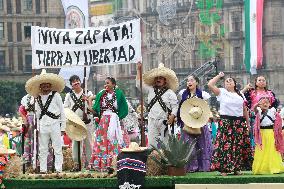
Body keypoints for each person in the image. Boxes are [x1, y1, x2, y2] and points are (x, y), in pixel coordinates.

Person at [208, 72, 252, 176]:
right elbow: (210, 84)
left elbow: (244, 109)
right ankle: (223, 169)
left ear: (234, 84)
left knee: (237, 145)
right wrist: (219, 76)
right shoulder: (222, 92)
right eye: (226, 81)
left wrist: (248, 123)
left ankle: (236, 168)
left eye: (230, 80)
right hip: (226, 121)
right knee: (224, 145)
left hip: (239, 122)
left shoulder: (240, 95)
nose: (228, 82)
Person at [25, 69, 66, 173]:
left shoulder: (56, 95)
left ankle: (58, 169)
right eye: (43, 85)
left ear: (50, 85)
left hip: (55, 124)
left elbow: (62, 112)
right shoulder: (37, 98)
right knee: (43, 149)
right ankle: (43, 169)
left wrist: (63, 127)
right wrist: (37, 128)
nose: (46, 87)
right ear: (40, 86)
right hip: (43, 125)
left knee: (57, 148)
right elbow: (37, 114)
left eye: (48, 85)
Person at [89, 77, 128, 171]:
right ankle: (101, 164)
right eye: (105, 83)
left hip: (114, 120)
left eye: (108, 83)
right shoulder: (101, 94)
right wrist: (88, 102)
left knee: (114, 141)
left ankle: (115, 163)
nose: (105, 85)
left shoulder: (119, 93)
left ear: (113, 84)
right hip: (104, 121)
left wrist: (118, 117)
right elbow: (94, 109)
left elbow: (124, 107)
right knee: (102, 142)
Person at [136, 62, 178, 148]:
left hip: (164, 121)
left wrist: (172, 116)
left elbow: (175, 106)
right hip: (152, 120)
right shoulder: (150, 89)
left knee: (166, 145)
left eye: (161, 78)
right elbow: (138, 85)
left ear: (165, 80)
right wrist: (139, 70)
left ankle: (166, 161)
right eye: (157, 78)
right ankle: (152, 160)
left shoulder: (170, 93)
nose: (158, 80)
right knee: (151, 144)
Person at [177, 75, 212, 172]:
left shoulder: (203, 95)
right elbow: (180, 107)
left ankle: (203, 166)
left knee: (202, 145)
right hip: (187, 123)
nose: (189, 82)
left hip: (200, 123)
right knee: (188, 145)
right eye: (188, 81)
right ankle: (191, 167)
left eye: (191, 80)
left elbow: (206, 109)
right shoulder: (182, 94)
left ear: (196, 82)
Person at [64, 75, 94, 171]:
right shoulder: (69, 95)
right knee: (76, 144)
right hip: (75, 123)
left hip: (86, 121)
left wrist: (88, 101)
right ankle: (77, 164)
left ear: (81, 82)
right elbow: (65, 108)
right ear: (71, 84)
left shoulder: (88, 93)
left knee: (89, 142)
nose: (76, 83)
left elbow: (93, 108)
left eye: (77, 81)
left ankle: (90, 164)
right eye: (73, 82)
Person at [242, 76, 279, 149]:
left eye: (263, 80)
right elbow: (243, 101)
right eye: (259, 80)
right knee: (255, 138)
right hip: (255, 118)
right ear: (256, 82)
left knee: (269, 139)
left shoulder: (270, 93)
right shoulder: (251, 92)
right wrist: (246, 88)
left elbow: (274, 105)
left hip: (268, 119)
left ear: (266, 82)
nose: (261, 82)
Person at [252, 97, 284, 174]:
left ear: (270, 104)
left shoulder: (272, 111)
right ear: (259, 104)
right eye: (262, 103)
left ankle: (274, 167)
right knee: (261, 150)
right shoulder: (258, 112)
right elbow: (254, 109)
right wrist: (257, 105)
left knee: (272, 149)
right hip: (261, 134)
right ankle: (262, 168)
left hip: (271, 133)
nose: (265, 104)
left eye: (266, 102)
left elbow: (278, 121)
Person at [18, 94, 35, 166]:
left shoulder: (42, 95)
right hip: (30, 120)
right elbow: (21, 109)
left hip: (41, 120)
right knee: (29, 141)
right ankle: (28, 160)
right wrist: (25, 119)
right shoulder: (27, 97)